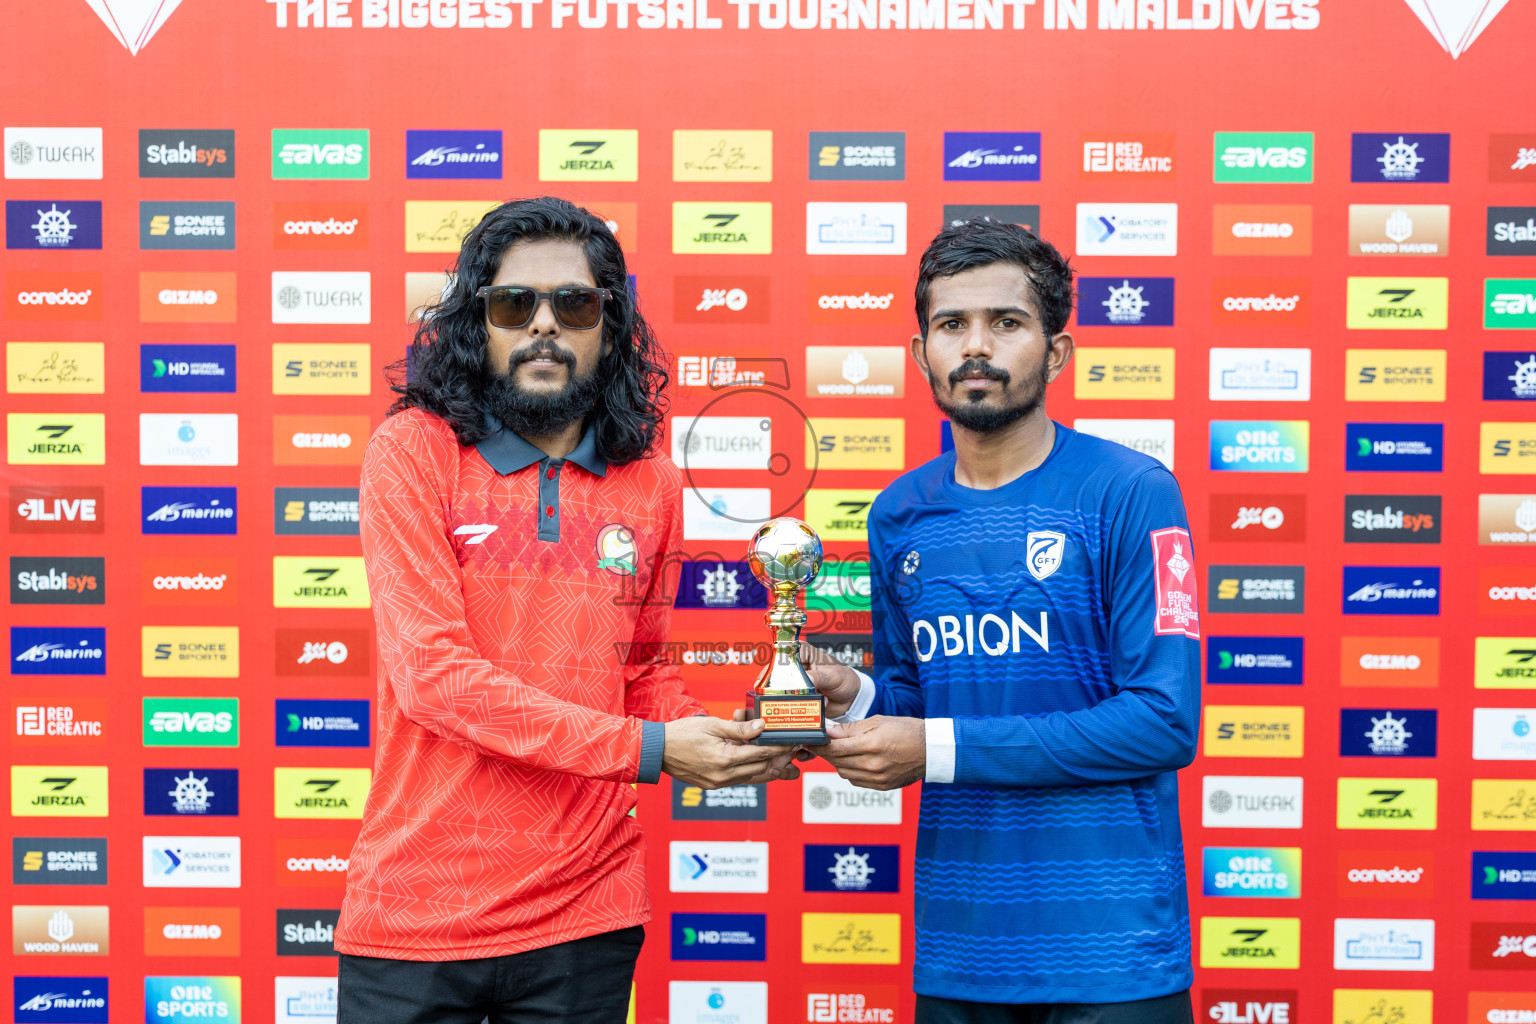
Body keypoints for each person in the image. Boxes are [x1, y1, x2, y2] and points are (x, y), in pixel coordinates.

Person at [335, 197, 800, 1024]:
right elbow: (433, 678)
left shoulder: (648, 478)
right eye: (516, 305)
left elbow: (641, 669)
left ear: (611, 325)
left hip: (588, 909)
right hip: (421, 907)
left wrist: (735, 736)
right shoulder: (414, 451)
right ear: (479, 324)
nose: (543, 326)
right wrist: (652, 749)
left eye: (574, 304)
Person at [803, 218, 1202, 1024]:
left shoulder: (1132, 493)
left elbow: (1164, 724)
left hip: (1110, 954)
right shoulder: (899, 514)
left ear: (1055, 350)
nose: (975, 347)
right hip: (962, 951)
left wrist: (937, 746)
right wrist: (856, 700)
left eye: (1006, 323)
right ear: (921, 354)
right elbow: (918, 704)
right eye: (951, 325)